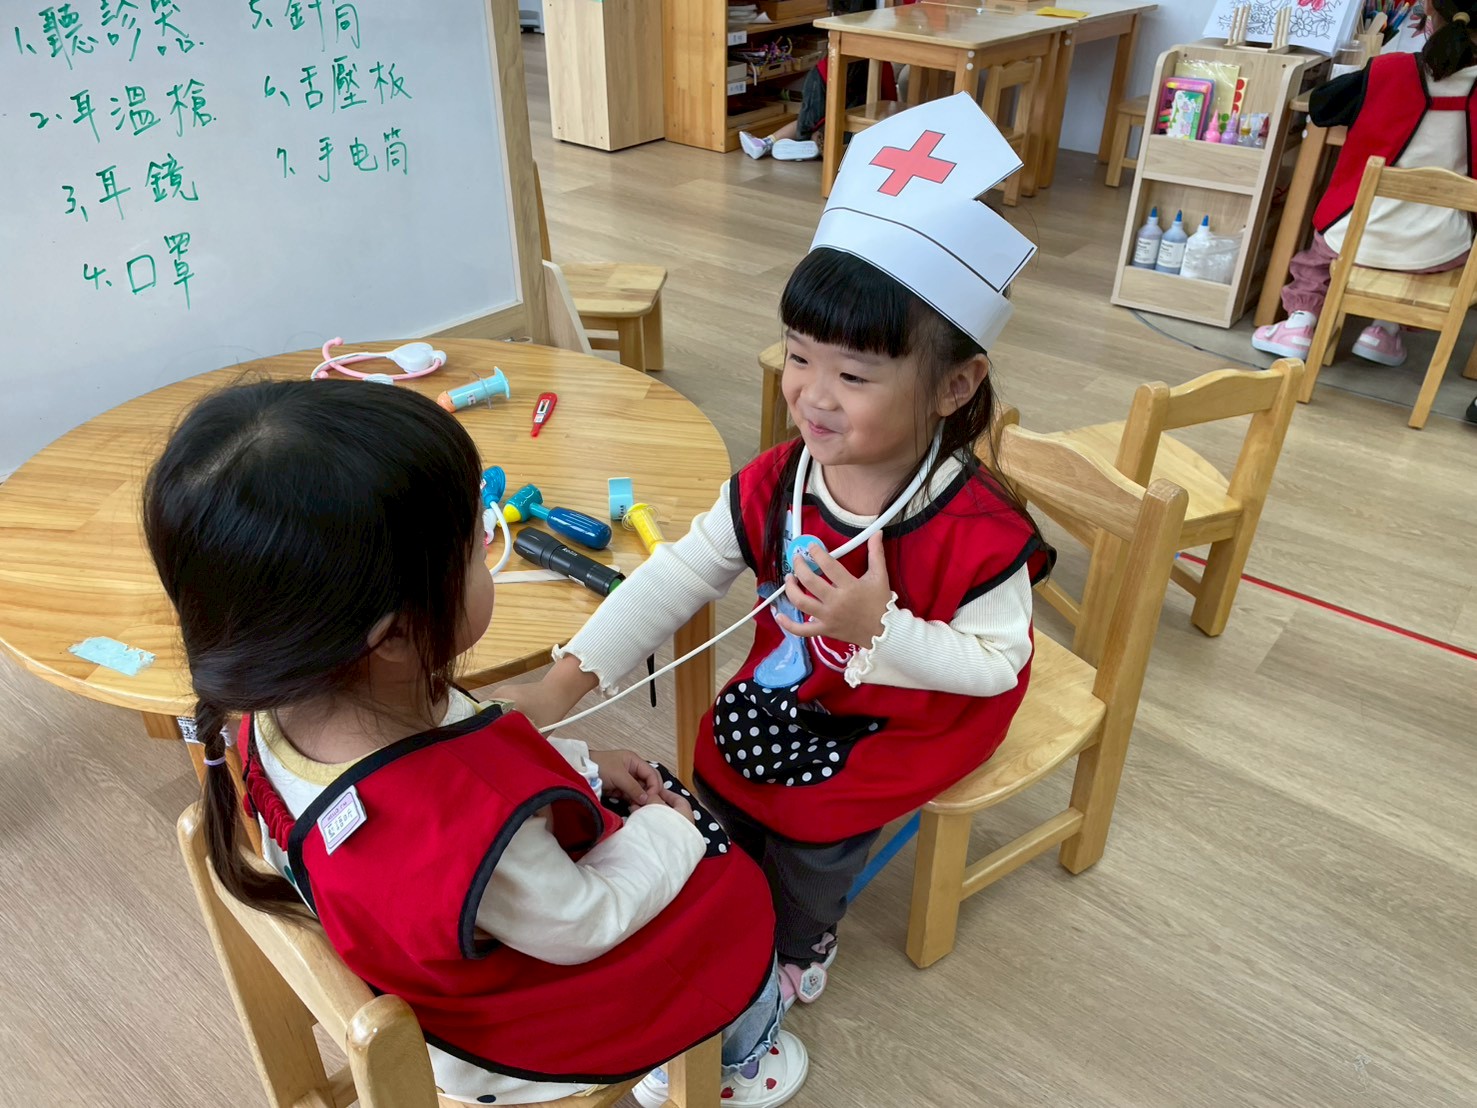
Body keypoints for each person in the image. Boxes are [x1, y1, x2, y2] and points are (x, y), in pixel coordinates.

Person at [505, 95, 1053, 1011]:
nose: (813, 395)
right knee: (718, 767)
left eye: (854, 374)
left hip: (905, 720)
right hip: (794, 695)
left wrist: (880, 630)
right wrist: (564, 685)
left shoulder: (977, 531)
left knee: (810, 835)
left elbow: (997, 668)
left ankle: (803, 938)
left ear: (955, 386)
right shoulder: (776, 482)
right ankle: (729, 889)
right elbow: (678, 573)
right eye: (799, 357)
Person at [143, 380, 809, 1108]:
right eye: (472, 548)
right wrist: (669, 831)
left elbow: (477, 747)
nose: (486, 555)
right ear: (394, 636)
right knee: (730, 888)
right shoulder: (468, 824)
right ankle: (738, 1058)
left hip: (406, 956)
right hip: (494, 1039)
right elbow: (583, 920)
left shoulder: (271, 712)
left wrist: (583, 766)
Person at [1253, 1, 1477, 375]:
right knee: (1428, 249)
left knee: (1321, 254)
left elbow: (1322, 108)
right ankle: (1384, 329)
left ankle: (1300, 324)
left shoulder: (1389, 70)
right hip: (1441, 245)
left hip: (1354, 235)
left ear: (1429, 12)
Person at [738, 0, 905, 161]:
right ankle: (772, 143)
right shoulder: (879, 58)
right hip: (869, 127)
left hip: (831, 128)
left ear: (834, 15)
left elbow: (811, 110)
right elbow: (890, 97)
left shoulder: (829, 64)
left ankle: (777, 143)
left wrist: (805, 132)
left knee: (812, 124)